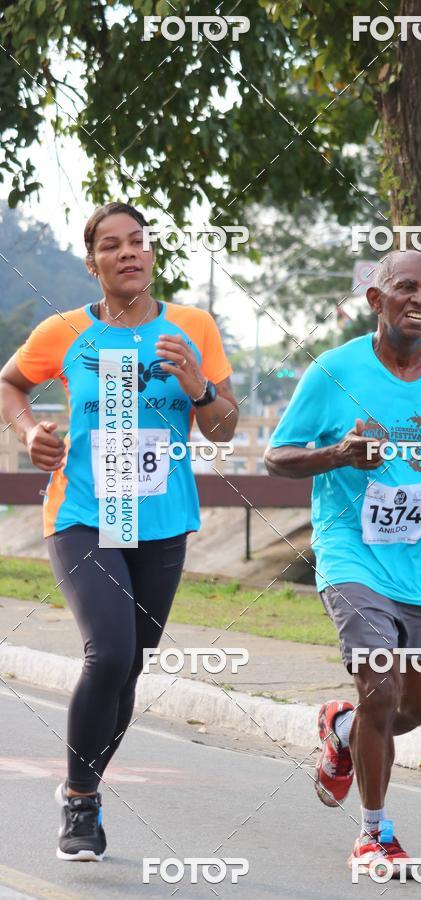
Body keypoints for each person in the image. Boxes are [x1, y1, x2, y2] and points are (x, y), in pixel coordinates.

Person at [0, 202, 238, 861]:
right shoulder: (64, 332)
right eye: (112, 245)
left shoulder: (191, 327)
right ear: (93, 263)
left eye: (138, 242)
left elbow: (225, 428)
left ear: (151, 254)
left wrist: (197, 386)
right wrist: (30, 434)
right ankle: (80, 800)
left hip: (161, 521)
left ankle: (88, 780)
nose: (128, 252)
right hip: (81, 516)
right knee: (107, 651)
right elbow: (10, 384)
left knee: (132, 664)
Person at [264, 250, 421, 877]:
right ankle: (374, 836)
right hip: (353, 552)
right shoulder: (334, 369)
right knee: (380, 685)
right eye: (405, 288)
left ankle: (342, 729)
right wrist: (341, 455)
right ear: (376, 301)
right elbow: (279, 456)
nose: (420, 301)